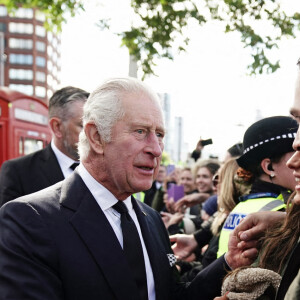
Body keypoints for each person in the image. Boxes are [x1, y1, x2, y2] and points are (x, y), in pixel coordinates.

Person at [0, 77, 257, 300]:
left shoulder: (151, 219)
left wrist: (227, 263)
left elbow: (171, 295)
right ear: (97, 137)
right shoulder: (29, 220)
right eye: (140, 131)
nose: (155, 149)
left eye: (159, 134)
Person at [217, 115, 297, 257]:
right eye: (294, 154)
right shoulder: (282, 210)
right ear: (269, 167)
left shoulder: (239, 206)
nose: (297, 162)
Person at [0, 86, 89, 206]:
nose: (93, 135)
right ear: (56, 127)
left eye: (95, 126)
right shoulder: (18, 172)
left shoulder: (106, 168)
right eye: (83, 126)